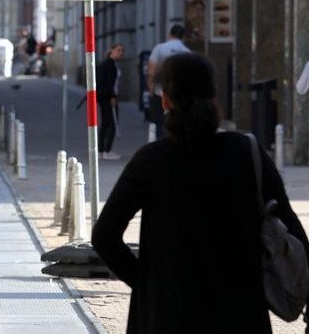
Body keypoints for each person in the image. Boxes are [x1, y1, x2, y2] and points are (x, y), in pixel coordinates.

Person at [92, 53, 309, 334]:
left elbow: (104, 236)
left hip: (167, 319)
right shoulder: (247, 153)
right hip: (240, 316)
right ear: (215, 97)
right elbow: (293, 230)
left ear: (165, 101)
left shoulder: (151, 160)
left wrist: (149, 284)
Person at [146, 24, 190, 138]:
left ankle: (162, 143)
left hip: (160, 91)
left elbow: (151, 70)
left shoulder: (159, 48)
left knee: (160, 121)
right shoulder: (187, 52)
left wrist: (151, 88)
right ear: (183, 37)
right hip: (180, 92)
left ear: (170, 35)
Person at [97, 43, 124, 160]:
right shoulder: (110, 64)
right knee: (112, 124)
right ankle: (106, 150)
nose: (121, 53)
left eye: (122, 51)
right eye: (118, 50)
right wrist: (112, 97)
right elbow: (109, 83)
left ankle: (101, 150)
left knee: (105, 123)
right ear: (112, 50)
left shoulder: (110, 63)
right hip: (108, 97)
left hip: (105, 97)